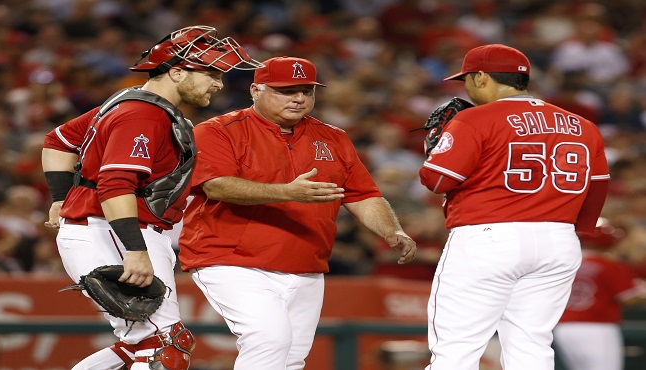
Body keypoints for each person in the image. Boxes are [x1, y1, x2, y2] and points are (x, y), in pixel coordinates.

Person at [41, 25, 261, 370]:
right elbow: (115, 185)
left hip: (113, 229)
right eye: (211, 73)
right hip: (113, 232)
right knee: (164, 344)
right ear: (176, 71)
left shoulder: (133, 104)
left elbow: (59, 142)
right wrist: (134, 250)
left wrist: (59, 198)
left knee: (139, 344)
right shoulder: (142, 114)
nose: (219, 83)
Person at [178, 56, 417, 370]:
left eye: (307, 90)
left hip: (305, 265)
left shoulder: (334, 137)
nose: (299, 98)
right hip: (232, 260)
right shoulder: (218, 131)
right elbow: (217, 187)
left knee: (291, 360)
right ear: (255, 90)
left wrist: (391, 230)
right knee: (268, 339)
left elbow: (363, 195)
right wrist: (287, 192)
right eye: (286, 90)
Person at [418, 44, 610, 370]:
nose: (465, 87)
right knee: (531, 345)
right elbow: (597, 189)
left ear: (480, 77)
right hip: (559, 240)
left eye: (466, 79)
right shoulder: (583, 126)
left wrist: (437, 145)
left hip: (488, 238)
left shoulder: (475, 119)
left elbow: (437, 181)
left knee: (457, 348)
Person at [553, 218, 646, 370]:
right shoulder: (609, 264)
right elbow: (628, 299)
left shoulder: (563, 263)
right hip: (598, 328)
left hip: (563, 327)